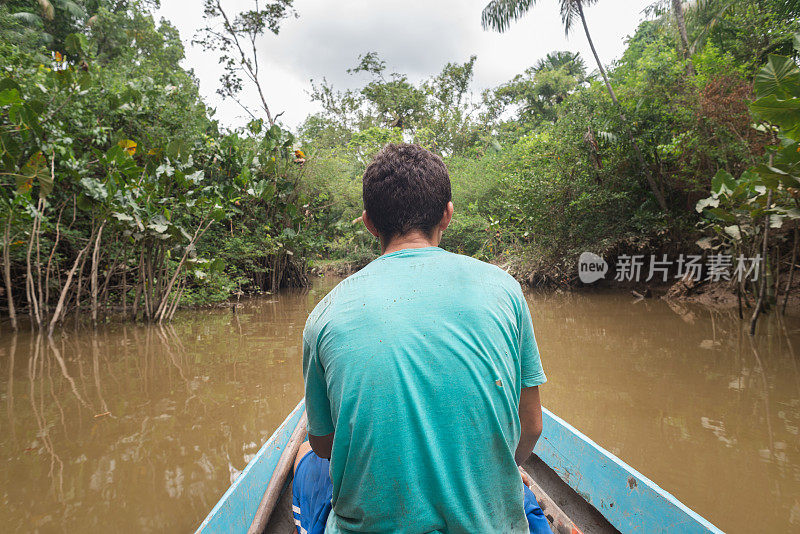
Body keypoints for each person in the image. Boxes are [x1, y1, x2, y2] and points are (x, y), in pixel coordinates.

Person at [292, 143, 550, 534]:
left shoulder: (325, 314)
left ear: (369, 223)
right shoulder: (505, 290)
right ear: (447, 214)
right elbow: (530, 425)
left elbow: (325, 445)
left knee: (303, 457)